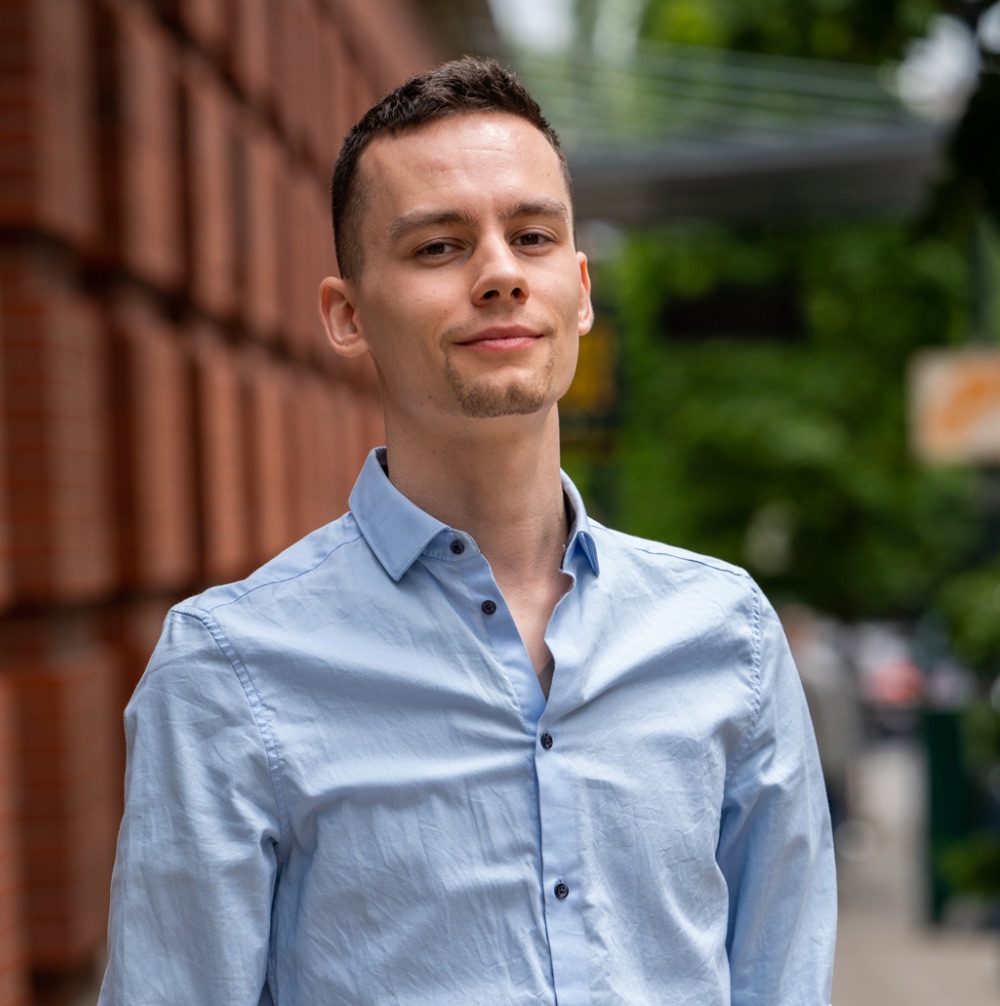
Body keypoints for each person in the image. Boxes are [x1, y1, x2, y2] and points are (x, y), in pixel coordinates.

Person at [99, 57, 836, 1005]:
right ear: (347, 315)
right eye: (438, 247)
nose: (498, 275)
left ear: (579, 288)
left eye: (531, 237)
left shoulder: (726, 633)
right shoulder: (229, 674)